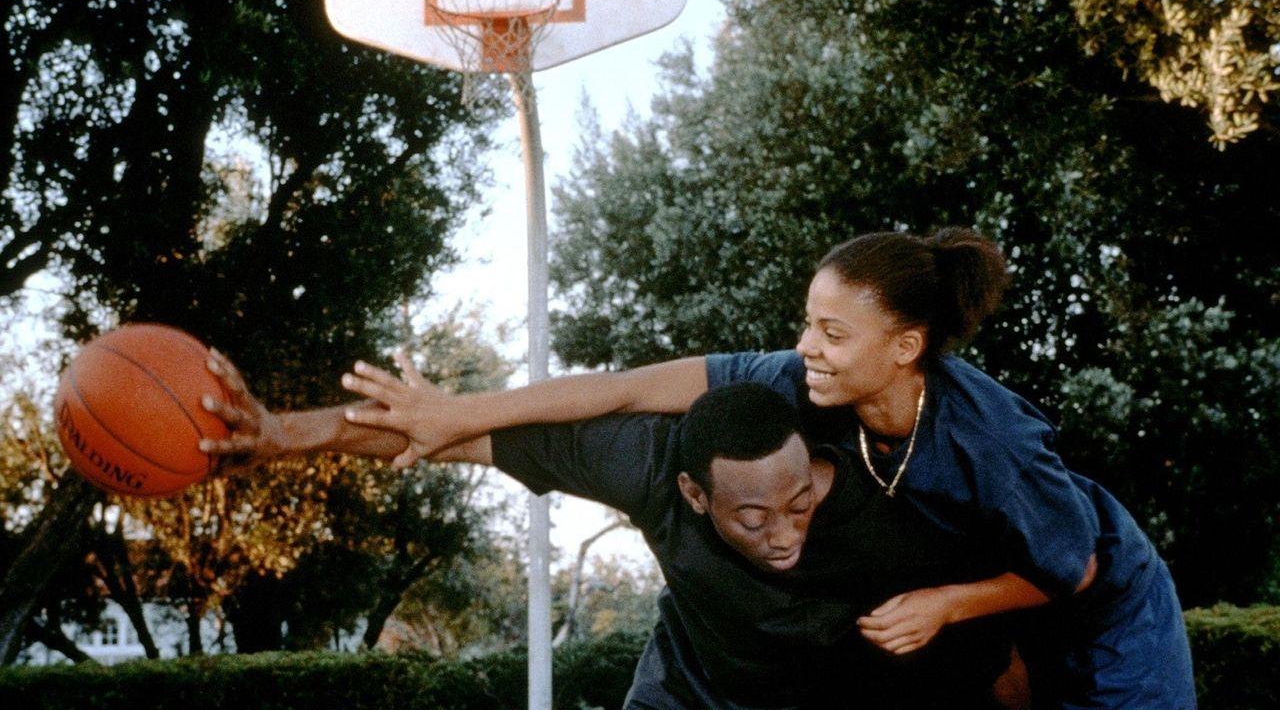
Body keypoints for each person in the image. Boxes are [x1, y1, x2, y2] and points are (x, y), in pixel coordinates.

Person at [330, 228, 1196, 709]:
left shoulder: (992, 442)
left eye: (832, 333)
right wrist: (463, 413)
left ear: (905, 347)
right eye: (807, 322)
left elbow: (1073, 565)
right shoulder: (798, 383)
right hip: (995, 596)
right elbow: (630, 391)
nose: (804, 347)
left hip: (1100, 603)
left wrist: (944, 604)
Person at [201, 364, 1020, 708]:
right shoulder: (647, 464)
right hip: (688, 693)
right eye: (752, 518)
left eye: (800, 502)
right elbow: (442, 436)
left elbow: (1003, 649)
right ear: (694, 495)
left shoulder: (889, 514)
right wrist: (284, 434)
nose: (783, 536)